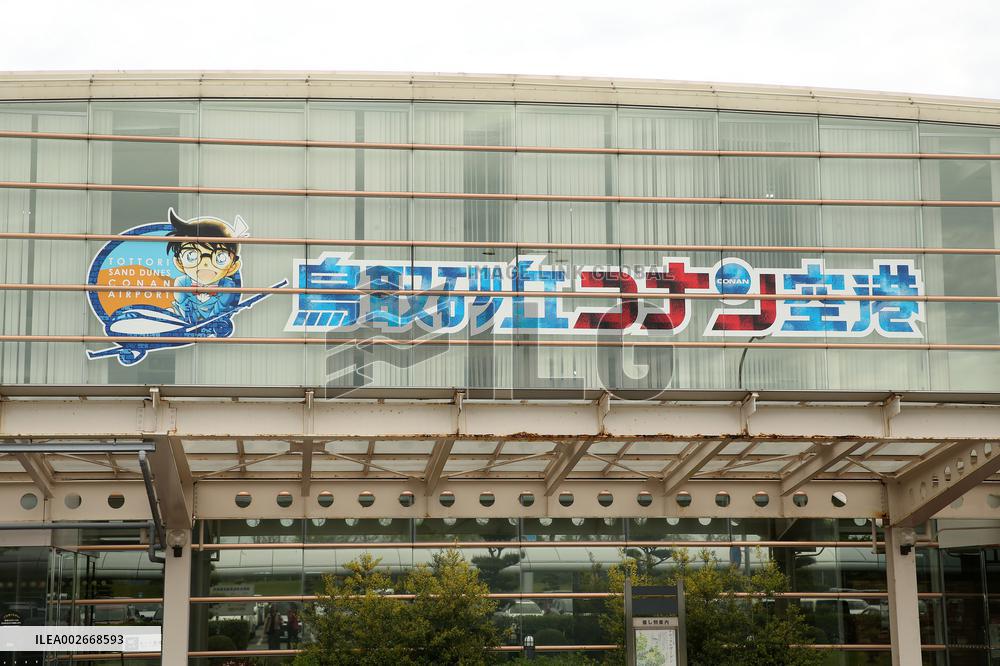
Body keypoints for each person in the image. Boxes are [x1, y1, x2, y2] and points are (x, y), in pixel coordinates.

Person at [164, 208, 242, 326]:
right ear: (179, 262)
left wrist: (205, 324)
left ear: (233, 266)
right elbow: (183, 307)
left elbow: (217, 313)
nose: (205, 263)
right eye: (192, 255)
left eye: (220, 258)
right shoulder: (181, 282)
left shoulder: (228, 286)